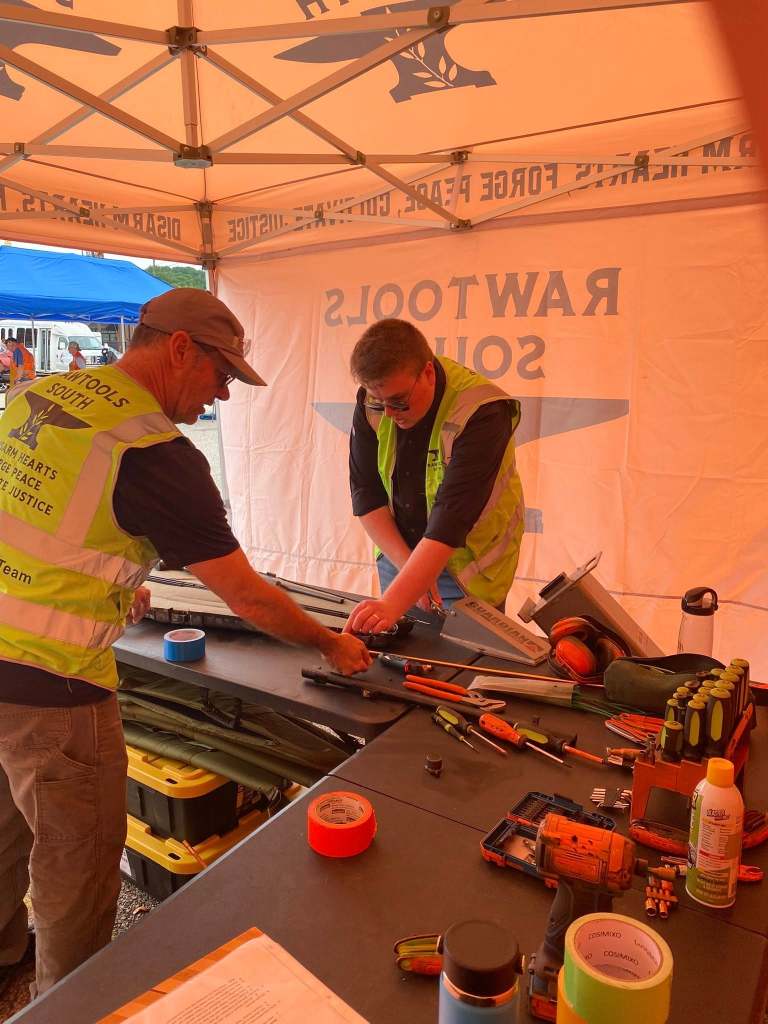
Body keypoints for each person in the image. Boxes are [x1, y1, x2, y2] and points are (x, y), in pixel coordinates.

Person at [0, 288, 371, 999]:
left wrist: (114, 584)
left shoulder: (38, 396)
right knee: (76, 868)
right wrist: (331, 645)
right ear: (178, 349)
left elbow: (36, 513)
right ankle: (67, 1005)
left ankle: (4, 961)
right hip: (53, 686)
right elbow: (247, 597)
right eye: (221, 374)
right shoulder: (155, 453)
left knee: (3, 832)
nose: (223, 395)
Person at [345, 318, 524, 636]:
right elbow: (366, 493)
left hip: (468, 569)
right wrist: (407, 570)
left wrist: (394, 601)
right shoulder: (376, 399)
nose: (389, 413)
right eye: (379, 403)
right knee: (401, 655)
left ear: (427, 373)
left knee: (467, 660)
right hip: (399, 553)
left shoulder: (482, 411)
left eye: (399, 401)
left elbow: (451, 518)